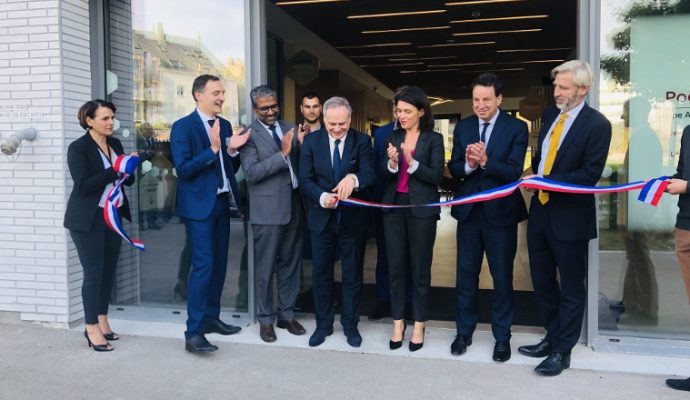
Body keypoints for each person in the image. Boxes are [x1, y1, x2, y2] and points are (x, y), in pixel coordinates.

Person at [519, 60, 612, 376]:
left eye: (563, 87)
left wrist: (545, 182)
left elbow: (589, 175)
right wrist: (534, 176)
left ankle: (562, 351)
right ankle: (552, 336)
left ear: (583, 89)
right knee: (542, 280)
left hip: (571, 217)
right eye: (556, 86)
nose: (556, 92)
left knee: (571, 286)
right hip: (541, 212)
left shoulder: (598, 125)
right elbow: (543, 159)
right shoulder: (549, 117)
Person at [447, 73, 528, 362]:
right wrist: (468, 164)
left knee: (502, 278)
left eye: (486, 99)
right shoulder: (465, 126)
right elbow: (454, 167)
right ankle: (463, 332)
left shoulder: (517, 128)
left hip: (501, 215)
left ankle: (502, 337)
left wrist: (485, 161)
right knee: (465, 276)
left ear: (499, 99)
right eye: (476, 100)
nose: (480, 105)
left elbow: (513, 172)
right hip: (469, 214)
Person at [170, 74, 251, 353]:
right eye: (216, 92)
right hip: (198, 207)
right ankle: (193, 332)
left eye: (222, 93)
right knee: (203, 265)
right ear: (198, 94)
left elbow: (229, 164)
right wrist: (214, 148)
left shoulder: (224, 124)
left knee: (218, 265)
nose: (221, 97)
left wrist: (229, 150)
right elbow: (183, 169)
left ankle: (211, 318)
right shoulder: (182, 128)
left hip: (221, 204)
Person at [299, 96, 375, 348]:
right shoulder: (311, 141)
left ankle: (351, 326)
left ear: (350, 119)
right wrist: (321, 197)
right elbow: (305, 179)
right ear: (324, 119)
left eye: (342, 123)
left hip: (352, 222)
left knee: (352, 275)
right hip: (321, 219)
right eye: (332, 124)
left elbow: (369, 174)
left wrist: (353, 179)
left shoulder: (362, 141)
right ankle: (323, 325)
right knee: (321, 275)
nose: (337, 128)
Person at [64, 99, 136, 352]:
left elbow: (126, 180)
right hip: (87, 219)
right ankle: (91, 326)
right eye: (105, 118)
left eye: (112, 117)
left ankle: (103, 320)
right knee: (93, 273)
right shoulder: (78, 148)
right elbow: (83, 185)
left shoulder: (115, 143)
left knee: (108, 271)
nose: (110, 122)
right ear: (89, 120)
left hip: (112, 216)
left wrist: (129, 167)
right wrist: (115, 169)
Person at [240, 85, 307, 342]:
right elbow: (253, 173)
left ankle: (286, 315)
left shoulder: (290, 127)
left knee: (291, 264)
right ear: (255, 109)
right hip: (267, 210)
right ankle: (265, 319)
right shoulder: (249, 135)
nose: (271, 111)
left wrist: (300, 146)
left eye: (274, 106)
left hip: (294, 204)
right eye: (264, 108)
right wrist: (284, 154)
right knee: (265, 267)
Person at [381, 86, 445, 352]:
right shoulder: (392, 136)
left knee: (420, 270)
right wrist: (393, 165)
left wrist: (412, 161)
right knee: (396, 269)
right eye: (398, 111)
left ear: (421, 111)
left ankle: (418, 323)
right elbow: (383, 176)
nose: (402, 116)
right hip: (394, 208)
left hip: (422, 210)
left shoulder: (435, 139)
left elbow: (437, 177)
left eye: (407, 111)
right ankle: (398, 322)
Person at [610, 97, 662, 325]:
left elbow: (646, 177)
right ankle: (631, 301)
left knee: (640, 257)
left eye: (625, 112)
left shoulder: (645, 138)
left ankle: (647, 310)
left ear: (638, 113)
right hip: (631, 207)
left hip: (637, 209)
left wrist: (642, 211)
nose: (622, 117)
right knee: (634, 256)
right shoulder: (641, 137)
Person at [663, 124, 690, 392]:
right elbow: (682, 173)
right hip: (686, 227)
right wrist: (667, 182)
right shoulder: (689, 131)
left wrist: (687, 186)